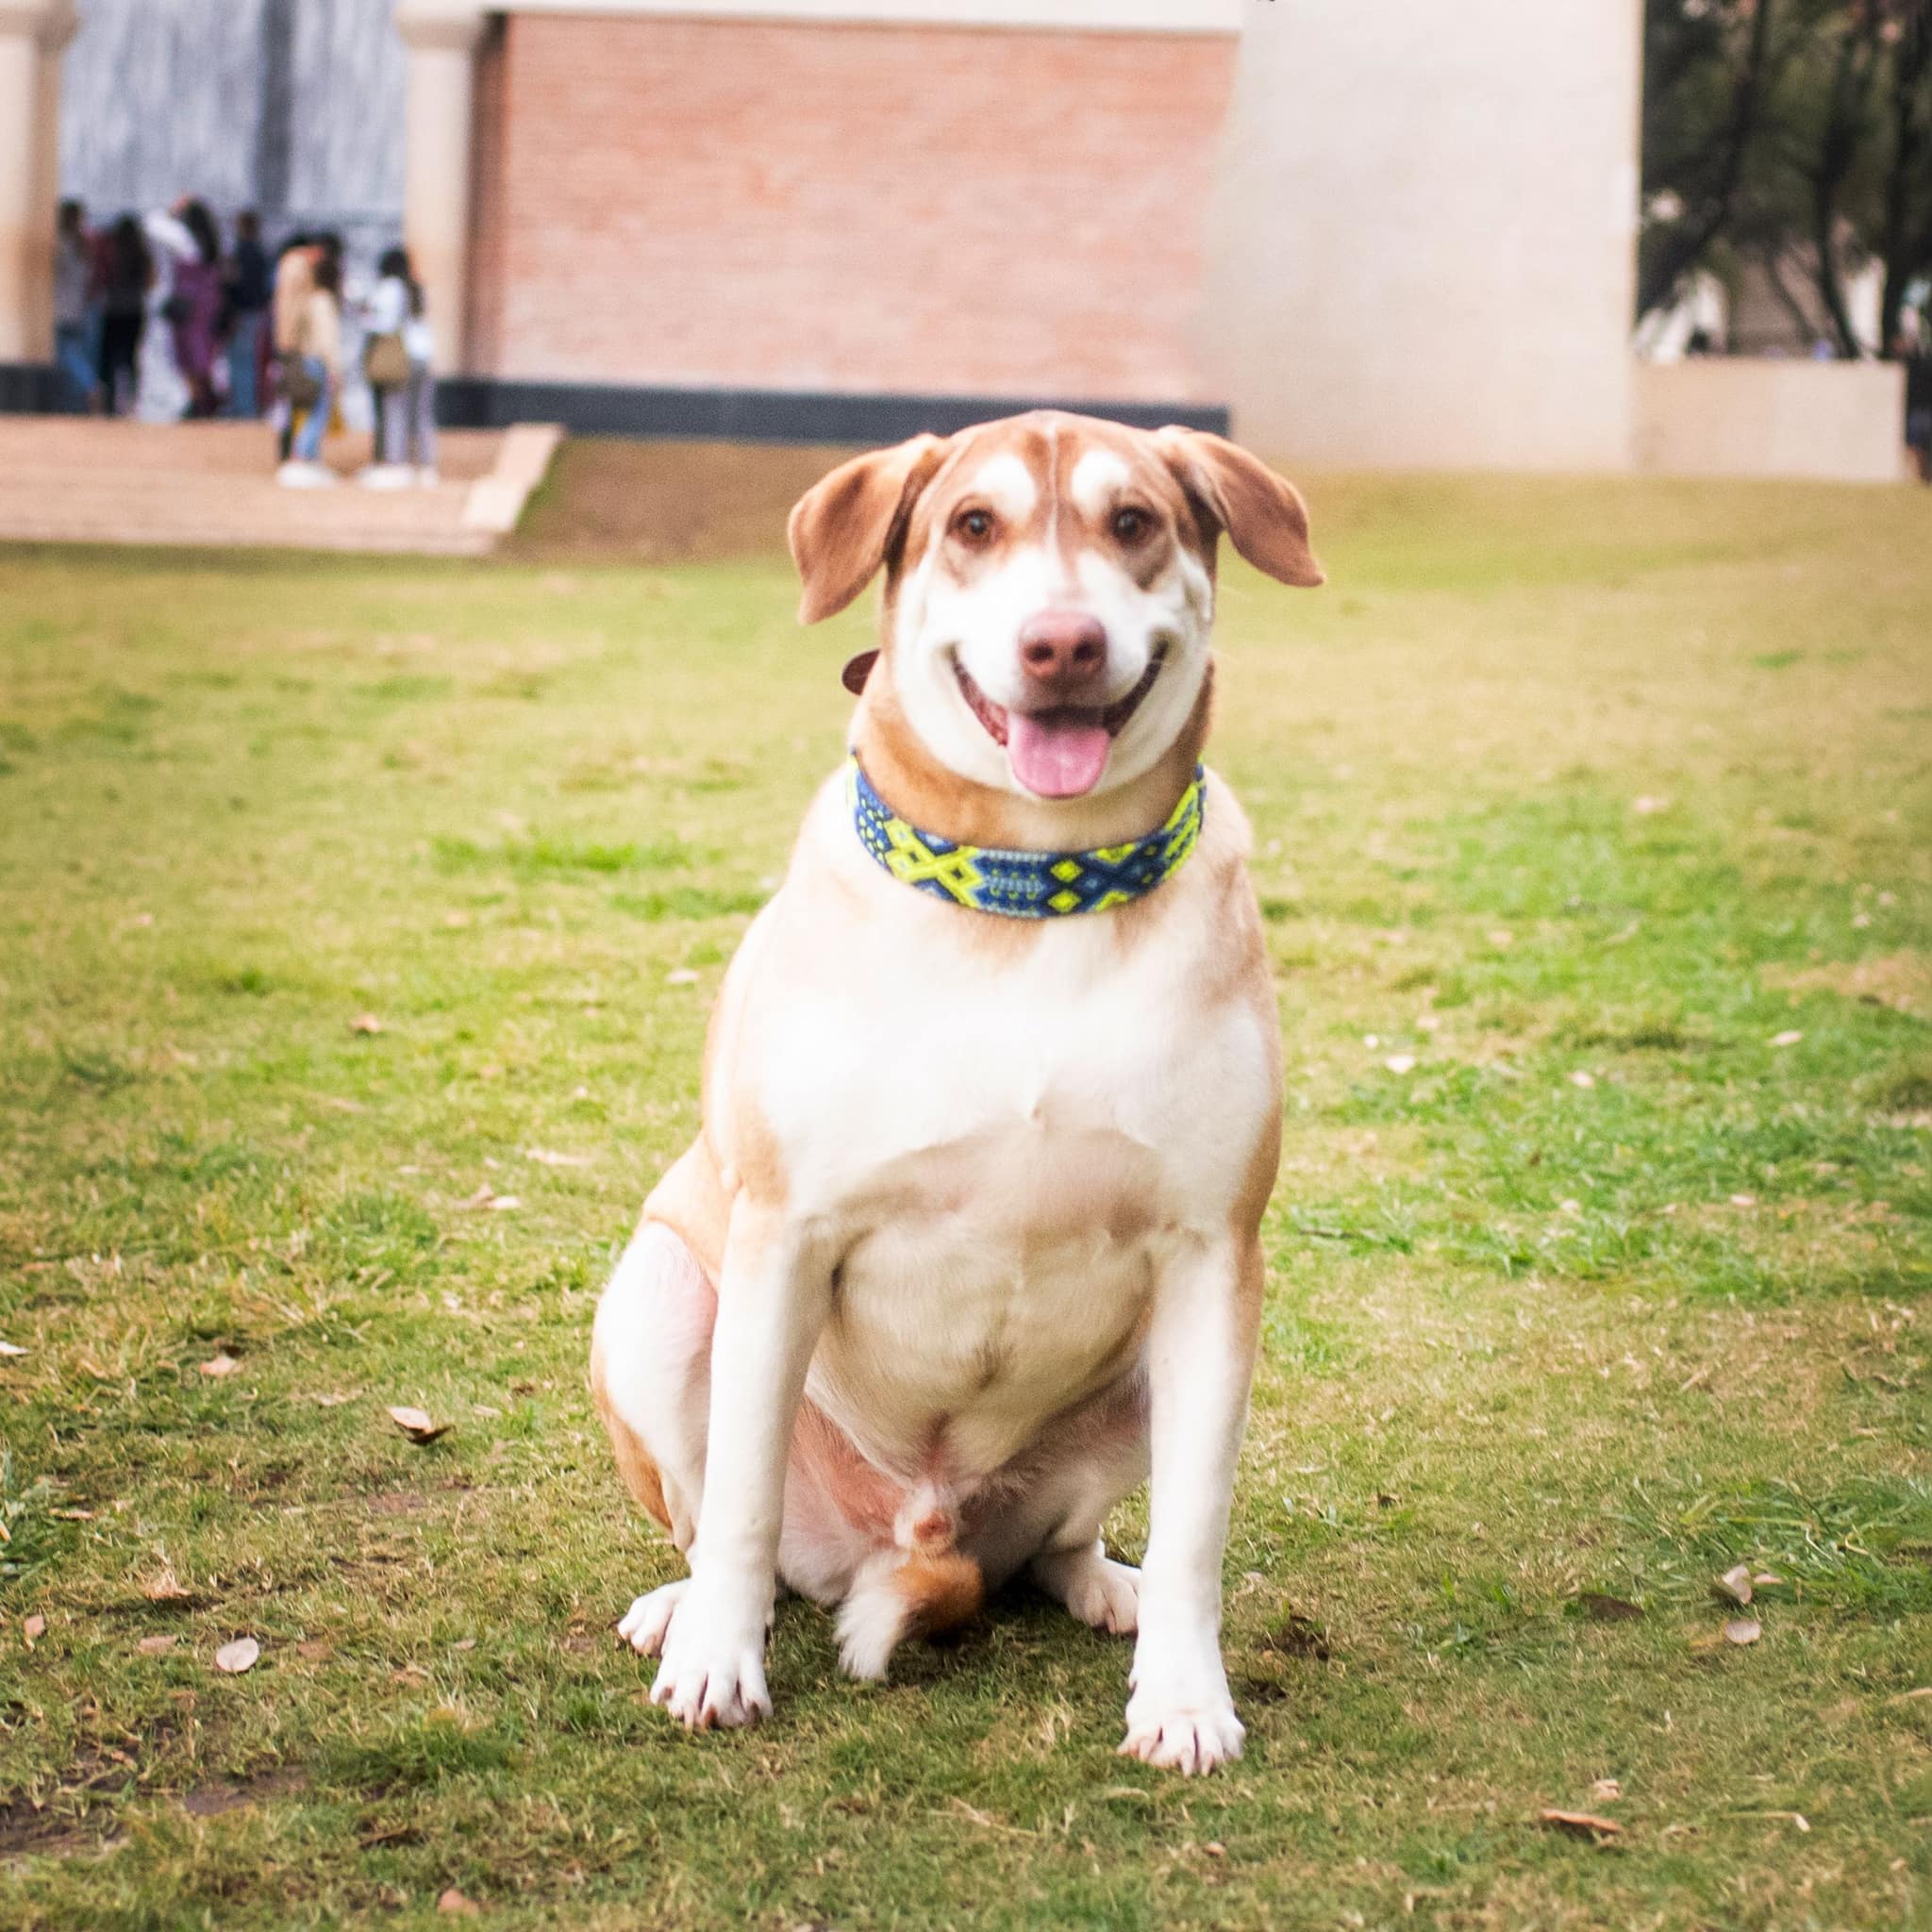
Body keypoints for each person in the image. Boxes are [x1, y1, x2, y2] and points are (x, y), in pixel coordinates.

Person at [359, 245, 437, 487]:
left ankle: (396, 463)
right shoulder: (416, 288)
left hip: (401, 355)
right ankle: (426, 466)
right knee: (422, 414)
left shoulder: (391, 287)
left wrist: (363, 315)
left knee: (395, 410)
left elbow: (384, 322)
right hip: (423, 354)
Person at [277, 252, 342, 487]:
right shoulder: (323, 300)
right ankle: (303, 456)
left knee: (308, 413)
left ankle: (306, 456)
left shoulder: (303, 299)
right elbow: (328, 341)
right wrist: (335, 369)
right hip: (318, 363)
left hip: (304, 359)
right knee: (318, 413)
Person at [171, 198, 224, 416]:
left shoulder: (185, 241)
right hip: (209, 307)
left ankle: (199, 401)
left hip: (189, 309)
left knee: (189, 358)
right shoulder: (212, 243)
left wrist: (174, 210)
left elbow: (153, 224)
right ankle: (206, 400)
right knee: (202, 356)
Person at [98, 214, 151, 417]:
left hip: (114, 309)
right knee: (130, 358)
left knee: (110, 357)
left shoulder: (113, 252)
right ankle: (131, 401)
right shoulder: (141, 253)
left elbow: (104, 277)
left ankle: (110, 403)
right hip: (135, 310)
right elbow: (149, 282)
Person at [223, 208, 272, 419]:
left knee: (238, 359)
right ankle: (248, 405)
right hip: (257, 312)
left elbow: (235, 284)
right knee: (250, 359)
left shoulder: (240, 253)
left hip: (241, 311)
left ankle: (242, 407)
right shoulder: (262, 253)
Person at [53, 201, 97, 411]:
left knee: (67, 355)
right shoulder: (82, 247)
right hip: (76, 310)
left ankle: (90, 386)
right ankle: (80, 396)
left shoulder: (62, 245)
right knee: (72, 353)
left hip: (60, 311)